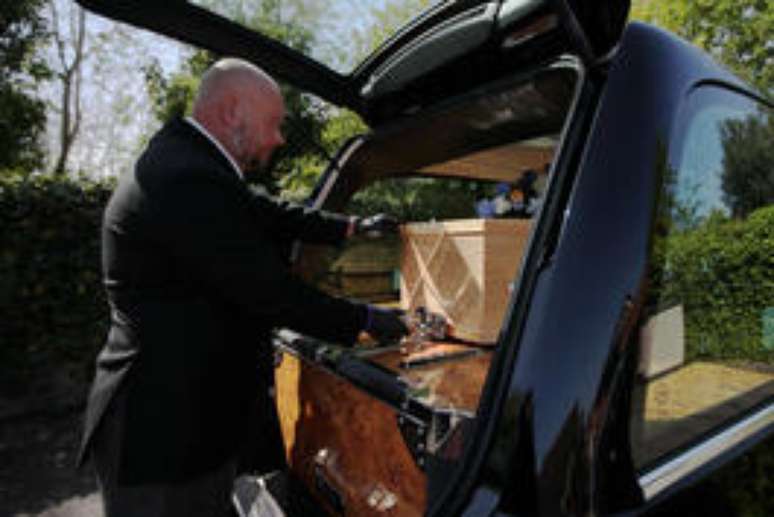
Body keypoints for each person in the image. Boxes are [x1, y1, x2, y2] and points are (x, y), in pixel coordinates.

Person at [78, 57, 408, 517]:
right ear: (233, 111)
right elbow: (269, 291)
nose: (278, 139)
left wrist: (349, 227)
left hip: (185, 423)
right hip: (161, 437)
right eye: (273, 124)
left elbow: (263, 211)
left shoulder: (192, 163)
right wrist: (370, 320)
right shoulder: (184, 176)